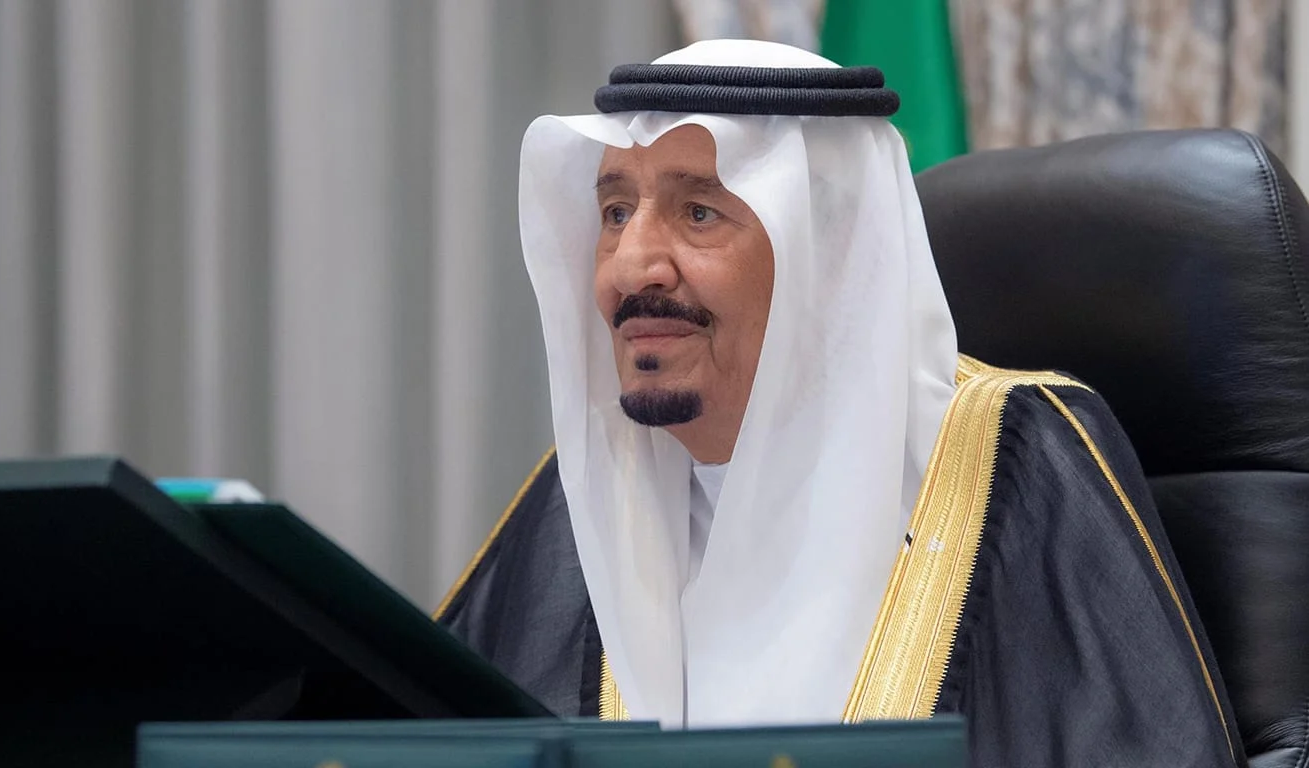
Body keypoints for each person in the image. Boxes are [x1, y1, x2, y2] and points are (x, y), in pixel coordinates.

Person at [436, 39, 1244, 767]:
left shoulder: (1014, 461)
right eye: (616, 213)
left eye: (699, 212)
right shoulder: (586, 490)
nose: (629, 265)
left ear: (826, 248)